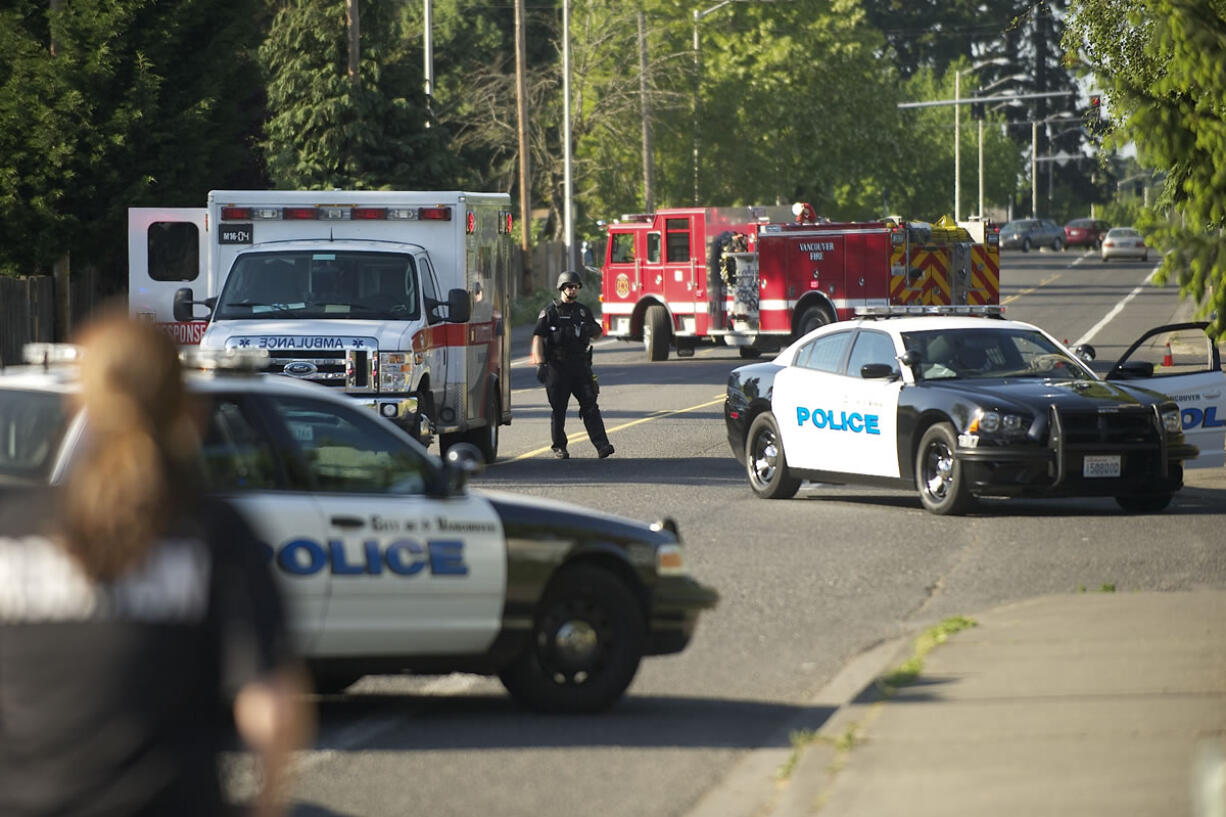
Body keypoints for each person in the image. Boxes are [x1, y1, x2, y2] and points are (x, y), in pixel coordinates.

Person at [0, 309, 313, 817]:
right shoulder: (210, 532)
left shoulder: (11, 532)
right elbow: (271, 710)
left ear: (78, 404)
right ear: (188, 411)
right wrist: (268, 805)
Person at [531, 270, 614, 460]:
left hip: (580, 366)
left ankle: (602, 445)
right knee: (559, 409)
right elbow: (538, 337)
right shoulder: (550, 312)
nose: (573, 289)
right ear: (562, 288)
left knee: (590, 405)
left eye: (576, 287)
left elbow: (597, 333)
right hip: (557, 367)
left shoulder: (582, 311)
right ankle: (559, 446)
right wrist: (540, 363)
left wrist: (592, 329)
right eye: (570, 286)